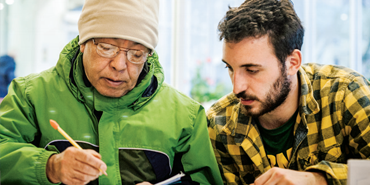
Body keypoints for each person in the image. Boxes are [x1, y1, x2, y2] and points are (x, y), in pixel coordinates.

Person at [0, 0, 222, 184]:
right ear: (83, 43)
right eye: (106, 48)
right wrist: (49, 166)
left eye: (136, 53)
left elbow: (204, 180)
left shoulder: (186, 116)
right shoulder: (31, 96)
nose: (119, 65)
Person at [207, 0, 370, 185]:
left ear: (293, 62)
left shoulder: (346, 94)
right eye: (230, 68)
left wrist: (318, 179)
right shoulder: (218, 125)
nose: (237, 88)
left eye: (252, 70)